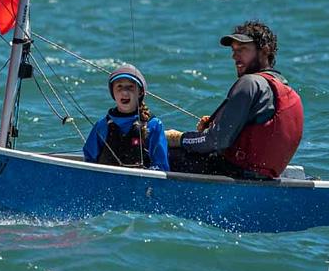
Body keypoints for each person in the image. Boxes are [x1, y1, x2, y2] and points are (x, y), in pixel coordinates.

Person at [169, 20, 303, 179]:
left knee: (159, 150)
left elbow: (217, 141)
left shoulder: (250, 82)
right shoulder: (284, 88)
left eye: (243, 49)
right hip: (261, 177)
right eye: (234, 50)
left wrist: (180, 138)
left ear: (265, 50)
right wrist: (215, 126)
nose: (234, 56)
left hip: (234, 173)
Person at [83, 64, 170, 171]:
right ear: (113, 92)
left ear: (140, 92)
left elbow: (161, 166)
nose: (124, 92)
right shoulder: (102, 125)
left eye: (131, 87)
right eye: (119, 86)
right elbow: (89, 161)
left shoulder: (154, 125)